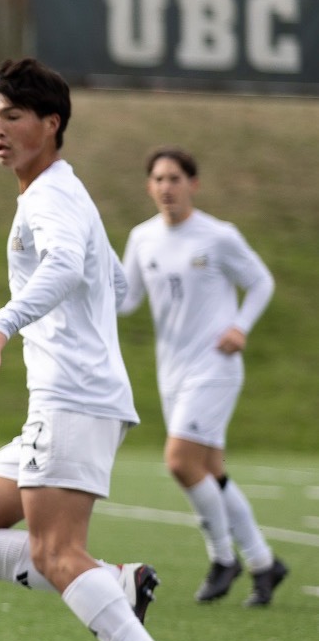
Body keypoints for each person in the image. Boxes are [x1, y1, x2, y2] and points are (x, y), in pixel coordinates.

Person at [0, 58, 199, 641]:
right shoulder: (61, 192)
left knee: (57, 551)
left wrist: (4, 322)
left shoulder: (52, 197)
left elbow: (64, 265)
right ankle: (114, 585)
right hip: (66, 398)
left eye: (13, 117)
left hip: (73, 398)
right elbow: (110, 283)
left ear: (50, 124)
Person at [119, 148, 285, 605]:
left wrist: (240, 326)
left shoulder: (217, 235)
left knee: (180, 461)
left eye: (175, 178)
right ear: (149, 186)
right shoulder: (142, 238)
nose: (166, 187)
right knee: (210, 469)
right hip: (171, 372)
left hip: (214, 366)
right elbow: (127, 299)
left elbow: (261, 282)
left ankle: (222, 558)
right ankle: (265, 564)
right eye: (158, 178)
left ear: (193, 183)